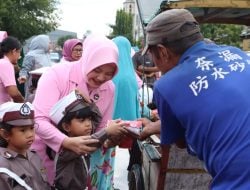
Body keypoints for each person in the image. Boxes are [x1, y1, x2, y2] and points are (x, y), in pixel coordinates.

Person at [141, 8, 250, 189]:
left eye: (152, 55)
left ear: (162, 51)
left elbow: (181, 140)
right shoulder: (236, 53)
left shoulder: (166, 85)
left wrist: (153, 127)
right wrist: (154, 126)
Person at [31, 35, 127, 189]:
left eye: (109, 73)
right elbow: (38, 120)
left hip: (79, 160)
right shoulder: (57, 74)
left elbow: (101, 127)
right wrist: (65, 142)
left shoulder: (109, 88)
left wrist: (109, 139)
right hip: (45, 152)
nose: (101, 77)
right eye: (97, 69)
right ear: (87, 59)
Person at [0, 102, 50, 189]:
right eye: (23, 130)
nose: (30, 134)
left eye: (32, 128)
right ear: (5, 134)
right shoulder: (3, 165)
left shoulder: (34, 155)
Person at [18, 34, 51, 101]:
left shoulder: (47, 55)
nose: (51, 44)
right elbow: (25, 69)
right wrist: (23, 76)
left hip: (46, 84)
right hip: (34, 86)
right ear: (42, 43)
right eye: (49, 43)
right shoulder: (31, 55)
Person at [0, 36, 24, 104]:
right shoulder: (6, 64)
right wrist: (24, 103)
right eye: (19, 52)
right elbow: (14, 93)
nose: (19, 56)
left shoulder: (2, 62)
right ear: (14, 51)